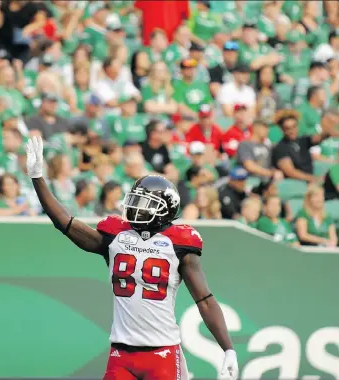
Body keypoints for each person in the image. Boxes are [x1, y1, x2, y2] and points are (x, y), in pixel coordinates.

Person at [25, 136, 238, 380]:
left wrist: (228, 348)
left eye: (145, 203)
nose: (136, 208)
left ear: (165, 209)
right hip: (121, 355)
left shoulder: (179, 244)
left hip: (163, 354)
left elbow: (205, 300)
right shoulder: (116, 237)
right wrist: (37, 178)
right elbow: (65, 222)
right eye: (135, 200)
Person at [272, 109, 339, 182]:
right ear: (282, 130)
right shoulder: (280, 148)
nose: (291, 131)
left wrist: (331, 129)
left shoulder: (302, 140)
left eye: (294, 126)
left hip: (309, 181)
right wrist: (314, 179)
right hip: (295, 184)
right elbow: (291, 172)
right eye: (287, 128)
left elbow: (320, 137)